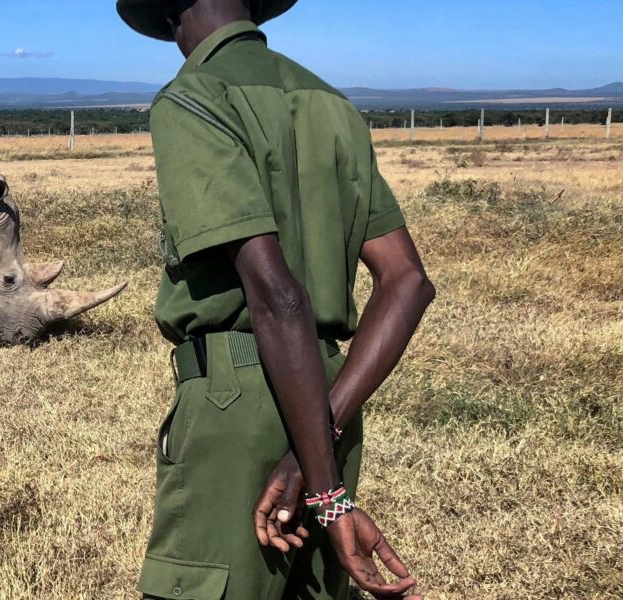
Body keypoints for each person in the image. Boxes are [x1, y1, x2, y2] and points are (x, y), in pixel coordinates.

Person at [117, 1, 437, 599]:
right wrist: (321, 451)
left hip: (239, 397)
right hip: (333, 402)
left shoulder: (194, 97)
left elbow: (277, 296)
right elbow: (407, 281)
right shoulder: (334, 105)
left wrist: (324, 494)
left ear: (169, 12)